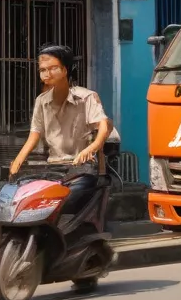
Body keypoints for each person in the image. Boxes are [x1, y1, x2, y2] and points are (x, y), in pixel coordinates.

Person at [9, 44, 112, 215]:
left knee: (62, 203)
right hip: (53, 169)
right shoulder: (41, 101)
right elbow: (34, 134)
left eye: (53, 68)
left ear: (65, 70)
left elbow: (103, 125)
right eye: (42, 70)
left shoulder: (86, 97)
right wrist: (18, 160)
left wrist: (91, 148)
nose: (46, 74)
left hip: (82, 170)